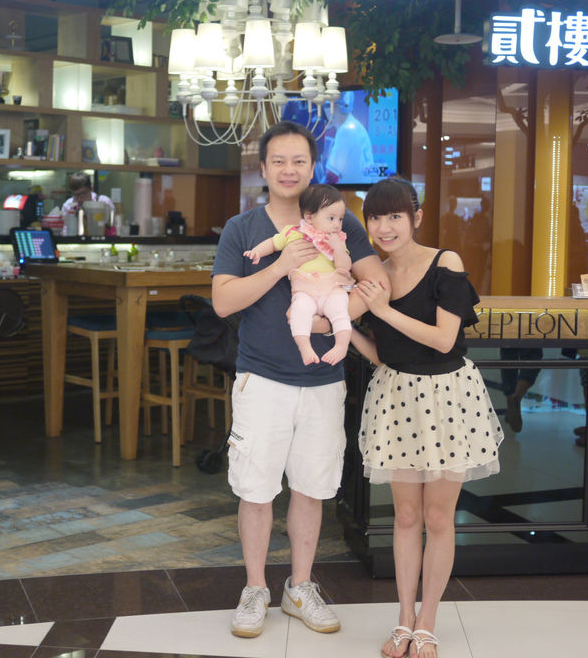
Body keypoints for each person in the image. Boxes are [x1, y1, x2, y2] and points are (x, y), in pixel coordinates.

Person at [212, 120, 386, 639]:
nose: (289, 170)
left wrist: (331, 321)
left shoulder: (339, 219)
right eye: (279, 162)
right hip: (261, 378)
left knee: (312, 487)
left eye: (299, 161)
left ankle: (300, 587)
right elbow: (223, 301)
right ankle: (255, 589)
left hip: (324, 379)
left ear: (314, 168)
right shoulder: (243, 229)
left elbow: (378, 281)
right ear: (264, 169)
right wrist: (279, 265)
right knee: (256, 489)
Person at [350, 177, 503, 658]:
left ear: (415, 217)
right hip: (396, 397)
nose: (384, 227)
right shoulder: (374, 275)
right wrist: (344, 323)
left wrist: (381, 309)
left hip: (447, 397)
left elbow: (442, 339)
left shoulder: (445, 263)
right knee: (405, 516)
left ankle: (427, 622)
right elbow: (384, 355)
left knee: (438, 517)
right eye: (375, 217)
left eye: (395, 216)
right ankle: (403, 620)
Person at [243, 184, 354, 366]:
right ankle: (305, 347)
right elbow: (272, 243)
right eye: (331, 218)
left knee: (340, 312)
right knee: (299, 313)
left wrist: (338, 249)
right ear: (309, 217)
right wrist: (257, 252)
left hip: (332, 290)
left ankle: (341, 346)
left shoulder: (338, 240)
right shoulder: (293, 232)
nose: (337, 224)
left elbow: (345, 267)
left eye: (340, 219)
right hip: (305, 291)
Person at [323, 91, 374, 185]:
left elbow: (331, 176)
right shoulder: (355, 126)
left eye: (329, 106)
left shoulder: (345, 130)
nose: (327, 112)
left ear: (341, 107)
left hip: (348, 191)